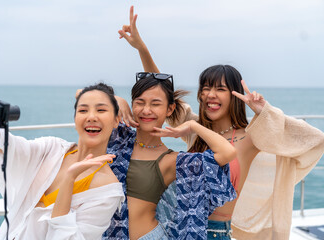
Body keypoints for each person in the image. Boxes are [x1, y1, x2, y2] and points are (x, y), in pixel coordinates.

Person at [117, 6, 324, 239]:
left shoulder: (250, 137)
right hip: (177, 224)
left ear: (235, 94)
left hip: (215, 232)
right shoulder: (195, 128)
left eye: (220, 89)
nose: (210, 95)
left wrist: (264, 112)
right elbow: (161, 95)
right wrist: (141, 49)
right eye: (206, 88)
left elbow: (313, 140)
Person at [0, 83, 125, 240]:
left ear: (116, 120)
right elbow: (7, 147)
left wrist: (69, 179)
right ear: (75, 118)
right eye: (83, 110)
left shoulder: (108, 190)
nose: (91, 117)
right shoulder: (53, 149)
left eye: (101, 110)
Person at [101, 71, 237, 239]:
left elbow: (228, 152)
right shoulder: (119, 138)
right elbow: (83, 99)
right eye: (139, 102)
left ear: (170, 109)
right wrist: (115, 100)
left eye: (155, 104)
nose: (146, 110)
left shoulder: (173, 160)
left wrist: (193, 126)